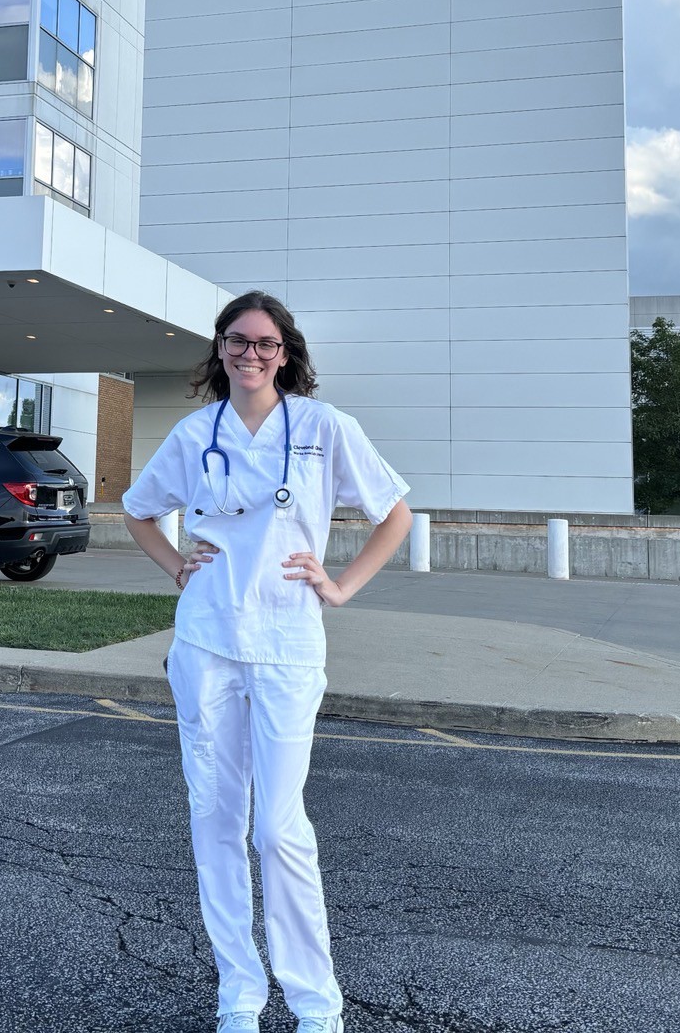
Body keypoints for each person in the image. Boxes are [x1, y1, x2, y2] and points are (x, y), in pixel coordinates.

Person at [122, 290, 413, 1033]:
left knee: (278, 829)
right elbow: (137, 507)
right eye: (237, 341)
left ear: (286, 353)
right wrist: (173, 564)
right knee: (216, 819)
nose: (251, 354)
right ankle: (239, 996)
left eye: (265, 343)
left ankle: (317, 1005)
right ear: (218, 349)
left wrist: (340, 585)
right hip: (207, 641)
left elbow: (395, 513)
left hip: (287, 644)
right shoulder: (196, 433)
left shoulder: (322, 427)